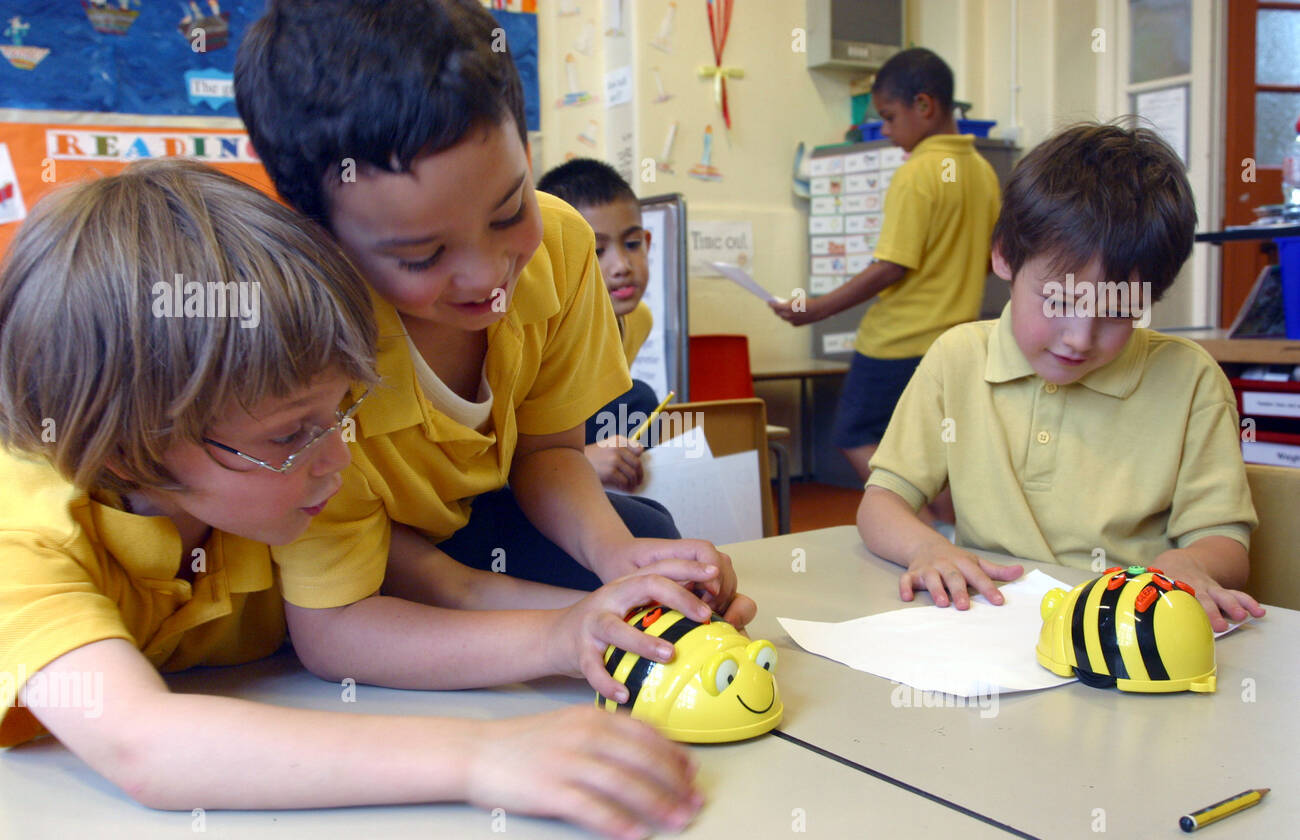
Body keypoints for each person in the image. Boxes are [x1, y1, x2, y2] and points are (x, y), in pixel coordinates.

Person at [0, 160, 701, 840]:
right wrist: (483, 755)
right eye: (291, 434)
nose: (339, 458)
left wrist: (624, 617)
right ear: (132, 452)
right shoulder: (20, 533)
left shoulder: (258, 490)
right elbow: (143, 742)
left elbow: (445, 587)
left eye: (339, 414)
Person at [234, 1, 754, 694]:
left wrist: (618, 559)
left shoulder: (564, 246)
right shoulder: (305, 339)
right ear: (322, 236)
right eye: (420, 255)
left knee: (640, 529)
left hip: (475, 520)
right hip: (364, 561)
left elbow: (548, 453)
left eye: (510, 211)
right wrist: (562, 634)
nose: (487, 278)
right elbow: (334, 629)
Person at [856, 123, 1266, 634]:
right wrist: (926, 546)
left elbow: (1224, 539)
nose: (1079, 336)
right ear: (1004, 255)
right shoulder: (958, 357)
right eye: (1061, 301)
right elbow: (882, 503)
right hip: (990, 625)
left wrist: (1192, 564)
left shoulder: (1191, 380)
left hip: (1124, 631)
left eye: (1116, 312)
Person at [771, 47, 1000, 491]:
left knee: (854, 434)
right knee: (937, 448)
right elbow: (991, 261)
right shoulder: (983, 172)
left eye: (890, 117)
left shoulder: (917, 173)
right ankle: (947, 530)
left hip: (898, 340)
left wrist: (817, 309)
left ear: (924, 106)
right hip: (956, 342)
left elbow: (891, 265)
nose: (888, 131)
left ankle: (918, 522)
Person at [537, 157, 659, 492]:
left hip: (576, 454)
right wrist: (583, 459)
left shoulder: (638, 320)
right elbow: (508, 446)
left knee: (640, 402)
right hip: (523, 471)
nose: (622, 266)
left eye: (632, 244)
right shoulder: (536, 331)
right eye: (597, 250)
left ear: (647, 243)